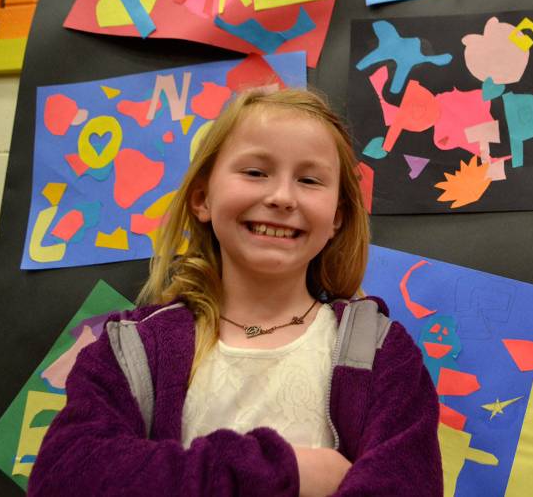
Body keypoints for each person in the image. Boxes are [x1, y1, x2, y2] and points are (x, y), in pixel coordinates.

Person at [29, 87, 442, 496]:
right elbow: (61, 479)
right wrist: (286, 471)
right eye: (255, 172)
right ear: (202, 199)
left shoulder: (382, 354)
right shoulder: (130, 351)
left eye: (310, 179)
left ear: (337, 217)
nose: (282, 197)